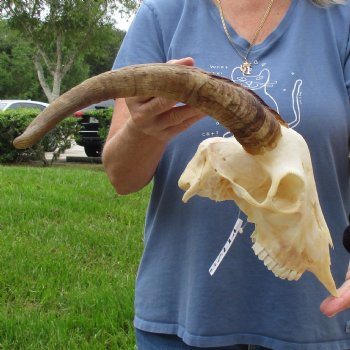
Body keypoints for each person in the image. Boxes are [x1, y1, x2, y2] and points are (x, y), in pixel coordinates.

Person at [102, 0, 350, 348]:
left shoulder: (342, 19)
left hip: (314, 321)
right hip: (181, 317)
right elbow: (121, 177)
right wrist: (142, 129)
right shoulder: (162, 15)